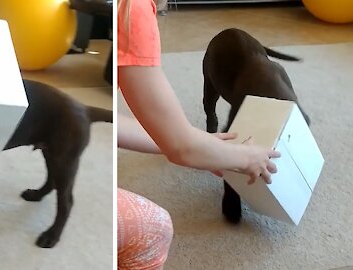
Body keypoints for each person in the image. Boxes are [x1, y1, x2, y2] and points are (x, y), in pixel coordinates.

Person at [116, 0, 281, 269]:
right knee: (154, 227)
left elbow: (174, 141)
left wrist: (188, 137)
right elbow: (184, 149)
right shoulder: (132, 13)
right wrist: (244, 158)